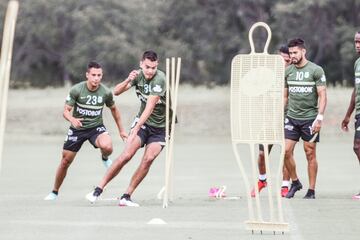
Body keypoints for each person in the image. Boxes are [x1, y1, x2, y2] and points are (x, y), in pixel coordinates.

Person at [86, 50, 167, 207]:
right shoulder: (138, 76)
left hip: (161, 127)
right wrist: (128, 79)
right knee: (126, 155)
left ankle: (126, 196)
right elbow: (116, 91)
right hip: (143, 123)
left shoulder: (160, 79)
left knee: (148, 159)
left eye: (153, 67)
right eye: (147, 67)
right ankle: (97, 191)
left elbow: (149, 108)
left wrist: (135, 129)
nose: (150, 71)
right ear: (141, 64)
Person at [44, 61, 128, 200]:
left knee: (107, 146)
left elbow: (114, 110)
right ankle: (54, 192)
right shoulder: (77, 90)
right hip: (77, 129)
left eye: (99, 75)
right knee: (65, 161)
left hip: (96, 128)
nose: (96, 78)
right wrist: (72, 120)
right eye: (93, 75)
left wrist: (121, 131)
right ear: (87, 75)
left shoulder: (106, 92)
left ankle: (104, 157)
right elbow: (66, 111)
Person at [284, 38, 327, 199]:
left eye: (295, 52)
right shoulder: (288, 71)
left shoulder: (316, 70)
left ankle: (311, 190)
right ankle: (295, 182)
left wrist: (319, 118)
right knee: (286, 151)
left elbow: (323, 96)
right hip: (291, 118)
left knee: (310, 153)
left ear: (303, 51)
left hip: (310, 119)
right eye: (290, 53)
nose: (292, 56)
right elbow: (284, 97)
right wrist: (278, 115)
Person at [251, 45, 292, 198]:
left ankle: (285, 185)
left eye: (287, 60)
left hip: (287, 119)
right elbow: (257, 97)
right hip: (267, 121)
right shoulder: (267, 76)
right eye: (281, 59)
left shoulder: (292, 75)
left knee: (287, 154)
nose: (284, 63)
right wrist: (265, 114)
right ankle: (262, 180)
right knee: (262, 154)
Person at [341, 31, 360, 200]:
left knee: (358, 146)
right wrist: (348, 115)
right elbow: (356, 90)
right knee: (357, 147)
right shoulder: (357, 63)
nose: (358, 45)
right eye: (356, 42)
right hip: (359, 113)